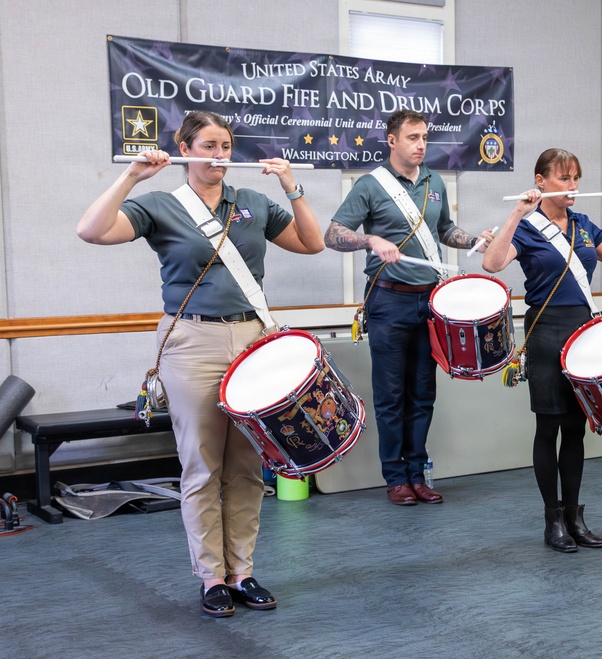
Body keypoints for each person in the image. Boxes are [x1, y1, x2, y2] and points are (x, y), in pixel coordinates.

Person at [77, 111, 325, 616]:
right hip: (192, 340)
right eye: (208, 146)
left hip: (253, 338)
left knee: (249, 463)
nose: (218, 156)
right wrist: (131, 176)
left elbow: (312, 243)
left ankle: (244, 571)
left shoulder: (252, 203)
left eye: (225, 146)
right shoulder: (161, 206)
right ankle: (212, 575)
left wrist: (292, 186)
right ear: (185, 147)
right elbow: (91, 230)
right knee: (202, 463)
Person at [324, 109, 495, 506]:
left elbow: (444, 230)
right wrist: (369, 241)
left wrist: (474, 240)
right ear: (392, 141)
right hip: (388, 299)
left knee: (423, 392)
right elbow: (333, 234)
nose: (421, 145)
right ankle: (395, 478)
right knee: (391, 394)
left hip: (430, 301)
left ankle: (418, 474)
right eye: (413, 138)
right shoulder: (370, 185)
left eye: (424, 138)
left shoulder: (435, 182)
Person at [482, 148, 602, 553]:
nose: (573, 187)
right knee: (548, 426)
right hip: (546, 331)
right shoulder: (528, 228)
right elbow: (493, 263)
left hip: (583, 333)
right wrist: (515, 214)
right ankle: (552, 519)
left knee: (575, 428)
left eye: (576, 178)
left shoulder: (583, 224)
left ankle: (574, 517)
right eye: (564, 178)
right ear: (541, 181)